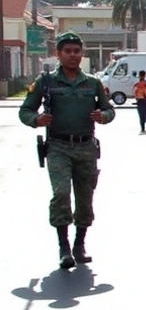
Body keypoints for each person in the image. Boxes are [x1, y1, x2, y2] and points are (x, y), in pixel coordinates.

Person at [19, 32, 116, 269]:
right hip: (58, 146)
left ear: (82, 54)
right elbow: (25, 111)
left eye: (77, 51)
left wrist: (102, 116)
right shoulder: (46, 82)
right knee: (61, 194)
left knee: (85, 198)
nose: (73, 56)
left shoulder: (92, 83)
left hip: (86, 146)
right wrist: (37, 119)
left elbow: (109, 110)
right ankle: (63, 247)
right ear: (58, 54)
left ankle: (79, 244)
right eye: (67, 51)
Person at [133, 70, 146, 134]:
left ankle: (142, 129)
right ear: (145, 75)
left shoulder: (136, 84)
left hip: (139, 101)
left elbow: (135, 93)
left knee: (141, 116)